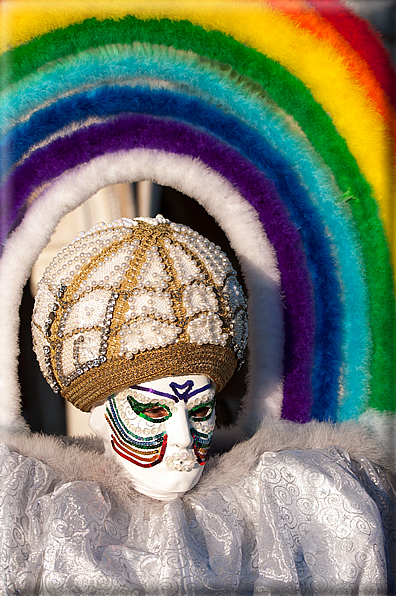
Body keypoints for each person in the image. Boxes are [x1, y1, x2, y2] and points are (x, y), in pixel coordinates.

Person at [1, 215, 395, 595]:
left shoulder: (293, 500)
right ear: (100, 418)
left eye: (201, 410)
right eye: (153, 411)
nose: (184, 438)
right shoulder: (47, 520)